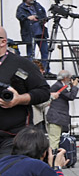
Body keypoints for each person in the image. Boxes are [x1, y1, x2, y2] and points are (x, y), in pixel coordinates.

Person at [0, 26, 52, 157]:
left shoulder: (22, 64)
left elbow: (44, 92)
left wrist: (19, 99)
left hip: (13, 136)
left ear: (3, 42)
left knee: (7, 174)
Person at [15, 0, 50, 72]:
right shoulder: (21, 7)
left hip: (41, 32)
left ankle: (45, 70)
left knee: (45, 52)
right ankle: (31, 70)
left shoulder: (37, 5)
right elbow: (19, 16)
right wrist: (28, 17)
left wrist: (43, 19)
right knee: (31, 54)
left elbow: (43, 14)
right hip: (30, 34)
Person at [45, 70, 79, 150]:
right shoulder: (59, 86)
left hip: (58, 117)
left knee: (56, 139)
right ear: (65, 78)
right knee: (54, 140)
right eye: (70, 78)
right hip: (56, 117)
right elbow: (71, 96)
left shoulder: (60, 85)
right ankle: (52, 158)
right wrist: (74, 86)